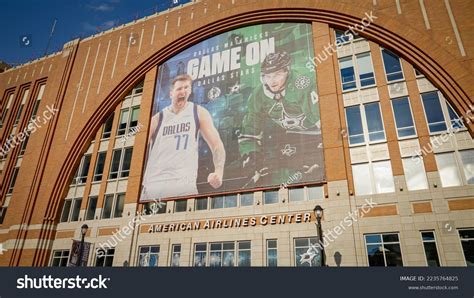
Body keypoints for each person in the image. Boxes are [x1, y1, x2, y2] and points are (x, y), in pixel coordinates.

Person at [238, 51, 323, 187]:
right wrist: (251, 154)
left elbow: (323, 120)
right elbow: (249, 131)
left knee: (314, 169)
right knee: (273, 170)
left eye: (277, 74)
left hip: (317, 134)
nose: (272, 80)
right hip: (291, 136)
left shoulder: (302, 82)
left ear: (287, 71)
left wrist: (326, 147)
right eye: (268, 76)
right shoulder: (258, 95)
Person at [141, 74, 226, 200]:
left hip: (184, 186)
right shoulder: (158, 119)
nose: (183, 91)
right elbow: (138, 151)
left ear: (190, 91)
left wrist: (219, 172)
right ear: (171, 93)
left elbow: (217, 144)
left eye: (186, 88)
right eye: (179, 89)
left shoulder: (198, 112)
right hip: (154, 187)